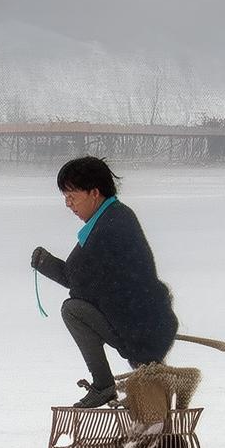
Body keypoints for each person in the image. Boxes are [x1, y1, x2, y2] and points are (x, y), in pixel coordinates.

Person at [31, 156, 178, 408]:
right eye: (65, 197)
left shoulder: (108, 227)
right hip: (150, 324)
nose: (68, 204)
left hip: (141, 330)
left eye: (72, 196)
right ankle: (149, 419)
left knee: (72, 310)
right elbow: (81, 277)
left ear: (94, 193)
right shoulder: (116, 216)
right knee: (151, 406)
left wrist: (46, 264)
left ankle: (103, 385)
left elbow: (75, 281)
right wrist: (48, 264)